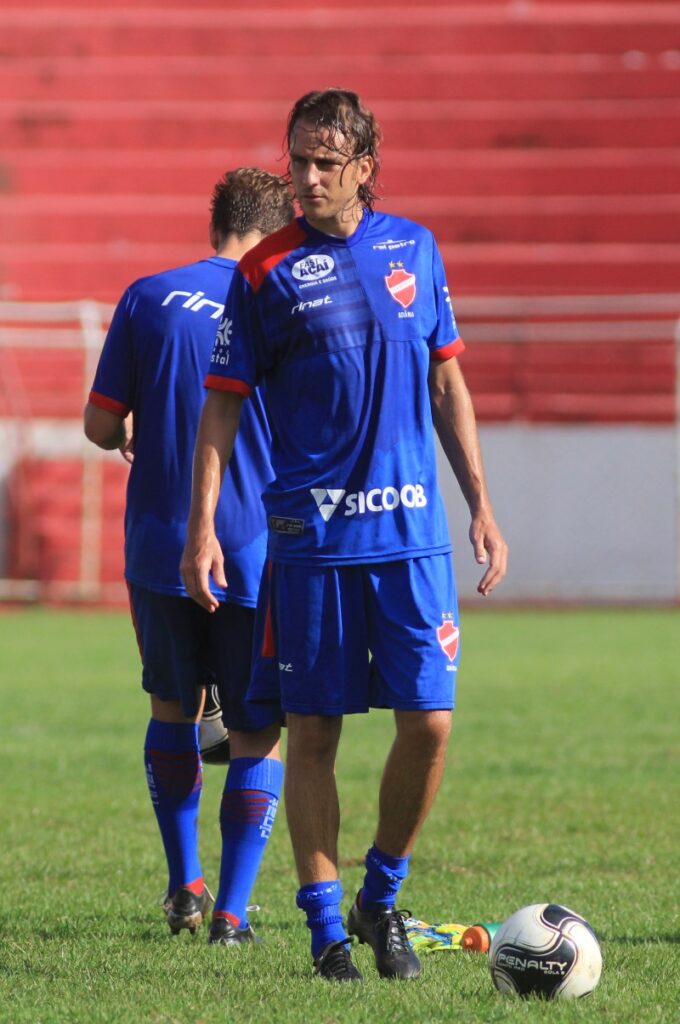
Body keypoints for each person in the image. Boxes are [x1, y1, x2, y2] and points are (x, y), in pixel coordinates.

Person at [181, 89, 508, 981]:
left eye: (327, 162)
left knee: (431, 723)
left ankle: (382, 894)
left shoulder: (416, 248)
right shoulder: (263, 275)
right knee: (314, 737)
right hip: (313, 548)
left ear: (365, 166)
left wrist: (479, 502)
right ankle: (327, 930)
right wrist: (202, 526)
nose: (309, 177)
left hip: (413, 542)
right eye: (298, 160)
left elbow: (447, 384)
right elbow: (221, 409)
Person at [83, 168, 295, 946]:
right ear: (274, 233)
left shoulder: (147, 296)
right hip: (256, 548)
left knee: (172, 711)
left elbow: (101, 426)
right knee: (255, 730)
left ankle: (185, 884)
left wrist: (139, 429)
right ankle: (234, 914)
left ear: (217, 225)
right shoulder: (283, 300)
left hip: (158, 548)